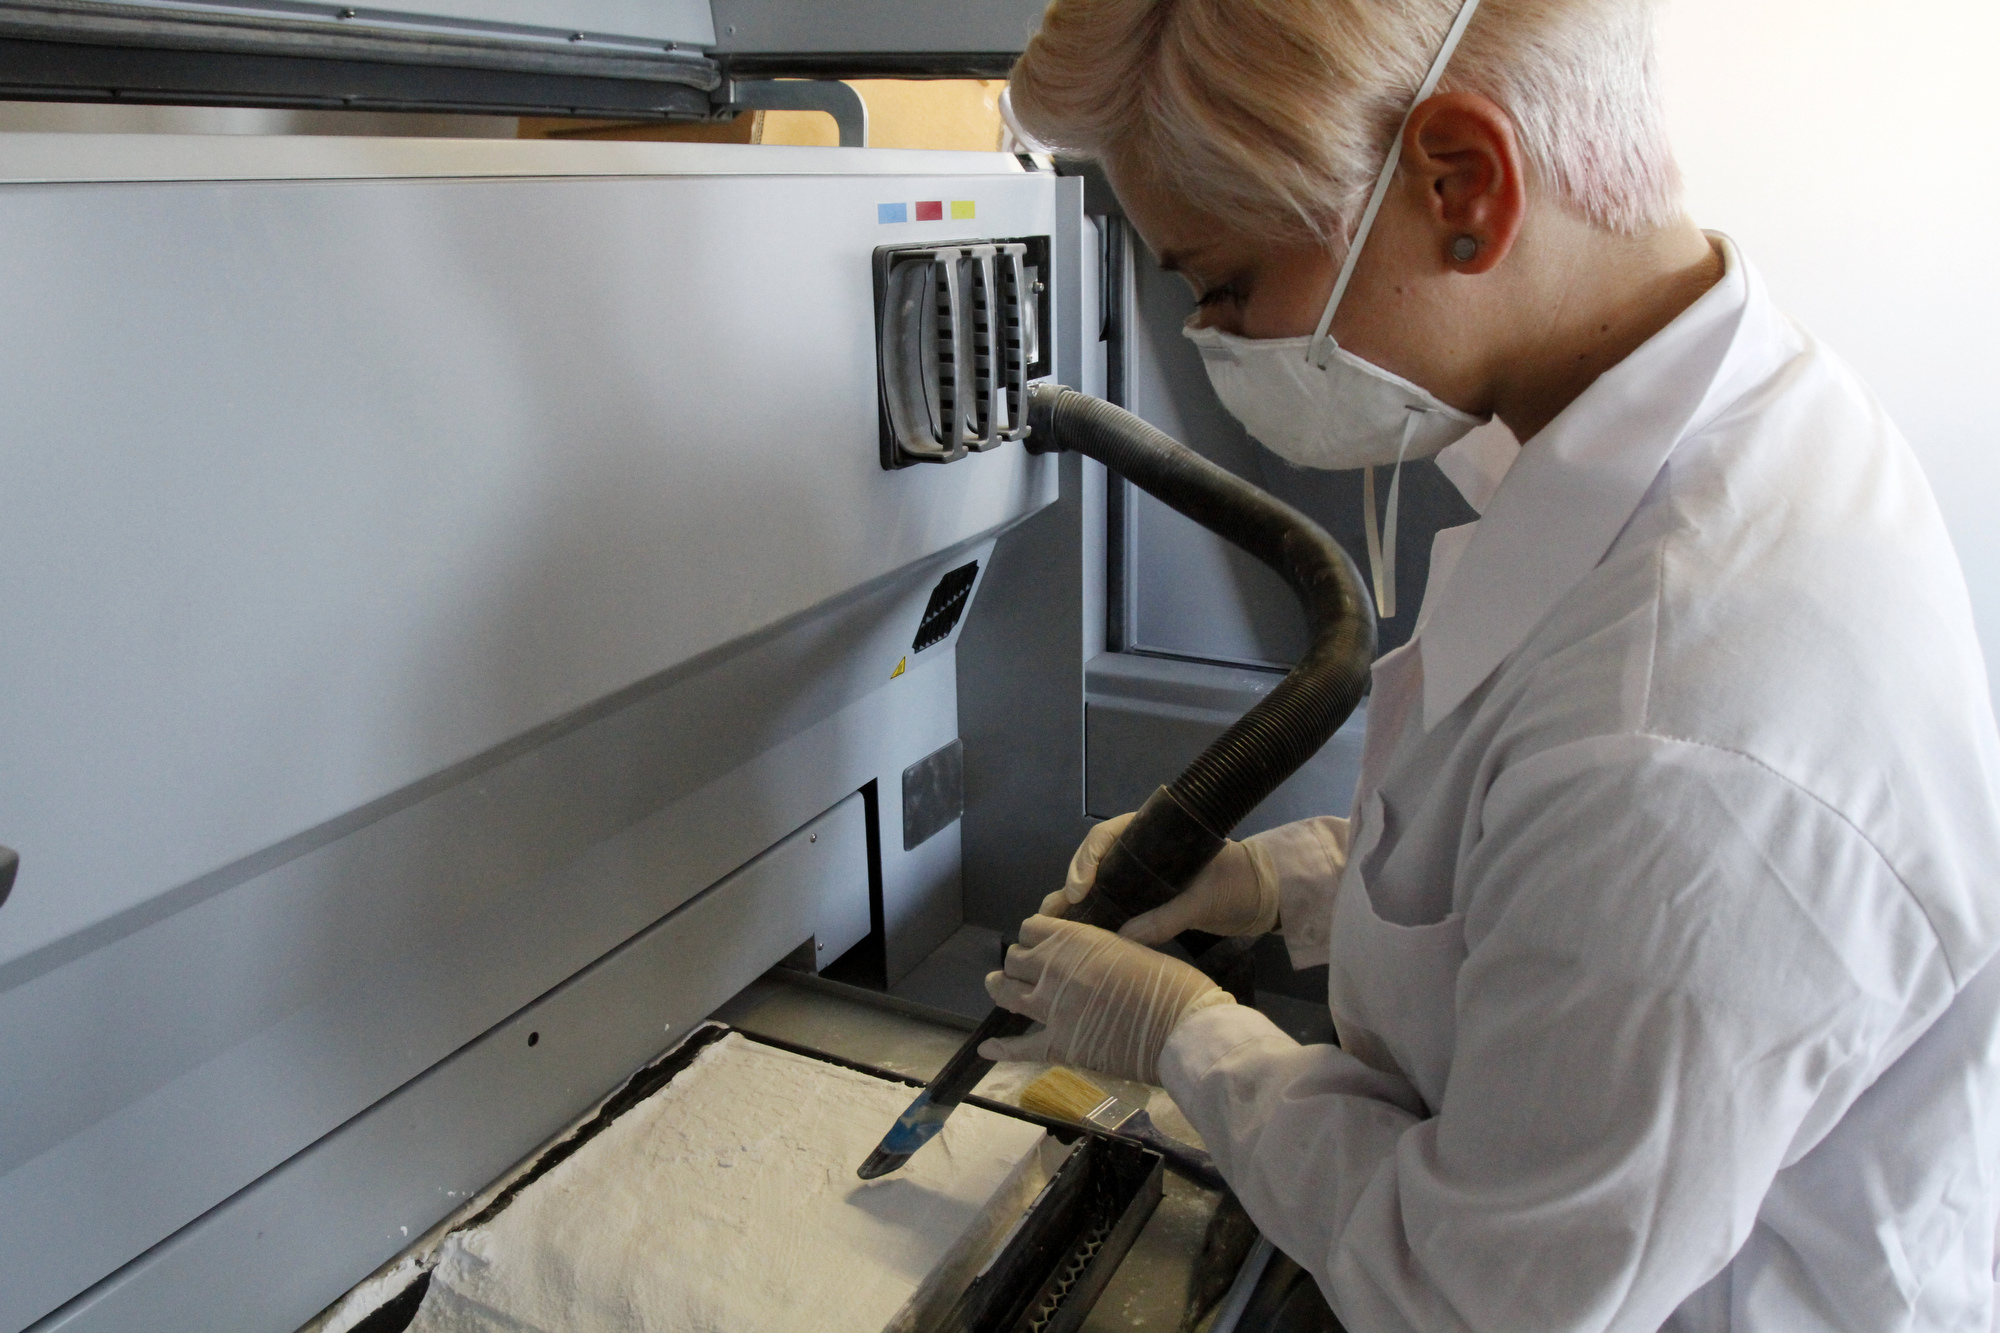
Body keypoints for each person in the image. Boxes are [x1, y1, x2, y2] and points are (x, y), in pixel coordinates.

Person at [979, 1, 2000, 1329]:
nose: (1217, 341)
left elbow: (1475, 1298)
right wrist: (1275, 884)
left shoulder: (1690, 737)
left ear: (1462, 185)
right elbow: (1543, 868)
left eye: (1223, 288)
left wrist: (1182, 1035)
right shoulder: (1701, 426)